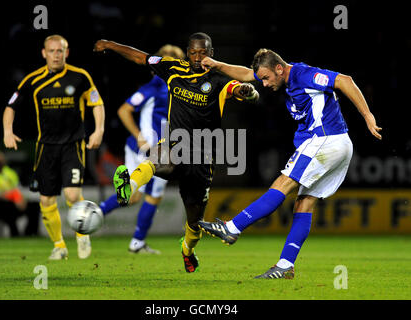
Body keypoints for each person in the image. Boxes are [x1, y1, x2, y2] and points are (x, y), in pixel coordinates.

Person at [198, 48, 382, 279]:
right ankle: (285, 266)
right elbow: (245, 74)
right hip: (338, 144)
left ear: (279, 69)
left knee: (283, 183)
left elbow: (345, 80)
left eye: (265, 78)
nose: (263, 85)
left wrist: (367, 116)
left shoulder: (302, 74)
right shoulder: (281, 73)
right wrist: (216, 64)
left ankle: (232, 228)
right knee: (303, 204)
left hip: (325, 139)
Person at [94, 32, 259, 272]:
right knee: (157, 158)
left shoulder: (219, 79)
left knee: (194, 223)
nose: (197, 57)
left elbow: (243, 89)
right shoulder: (172, 68)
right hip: (176, 144)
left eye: (202, 53)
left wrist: (247, 92)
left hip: (203, 156)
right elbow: (141, 57)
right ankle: (128, 186)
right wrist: (110, 44)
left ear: (211, 54)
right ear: (188, 51)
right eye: (193, 52)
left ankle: (187, 250)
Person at [3, 34, 105, 260]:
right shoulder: (32, 80)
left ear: (67, 53)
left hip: (73, 144)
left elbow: (96, 103)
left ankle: (82, 235)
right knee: (46, 200)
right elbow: (10, 106)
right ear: (44, 53)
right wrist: (7, 131)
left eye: (60, 51)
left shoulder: (80, 76)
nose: (56, 55)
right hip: (46, 148)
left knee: (71, 194)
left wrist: (98, 130)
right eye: (52, 51)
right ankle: (59, 246)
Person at [100, 44, 185, 254]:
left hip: (159, 149)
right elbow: (123, 110)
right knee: (151, 196)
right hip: (148, 148)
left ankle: (95, 213)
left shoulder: (173, 87)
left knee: (133, 196)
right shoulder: (156, 87)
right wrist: (139, 136)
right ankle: (134, 240)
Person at [0, 150, 39, 236]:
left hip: (15, 203)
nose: (1, 162)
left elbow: (18, 189)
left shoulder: (10, 173)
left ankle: (29, 234)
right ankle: (15, 234)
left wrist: (21, 200)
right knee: (8, 206)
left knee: (34, 206)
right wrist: (14, 199)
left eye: (2, 159)